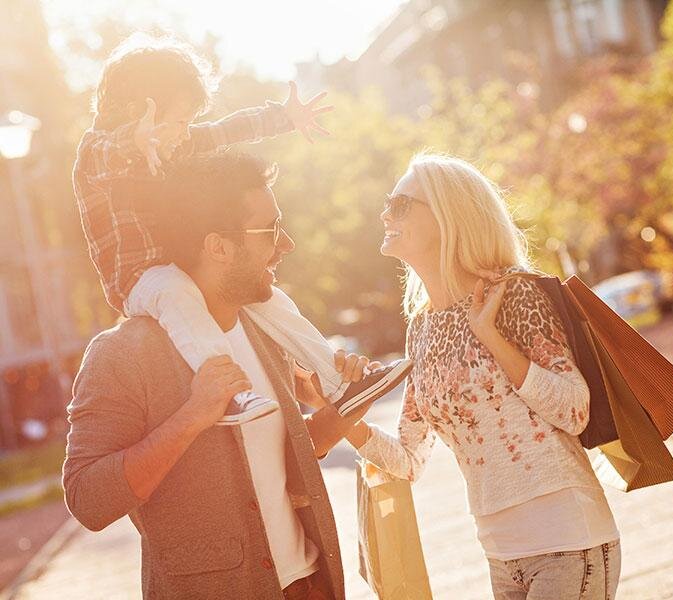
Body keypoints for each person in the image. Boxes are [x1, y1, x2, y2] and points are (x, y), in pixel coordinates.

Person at [64, 151, 378, 599]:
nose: (286, 244)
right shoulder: (120, 355)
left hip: (308, 584)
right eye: (271, 229)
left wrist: (346, 409)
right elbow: (88, 500)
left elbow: (277, 460)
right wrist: (193, 416)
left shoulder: (264, 330)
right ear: (218, 247)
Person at [73, 33, 410, 427]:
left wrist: (282, 118)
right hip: (137, 280)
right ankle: (230, 394)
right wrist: (135, 140)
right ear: (138, 110)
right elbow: (109, 153)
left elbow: (224, 131)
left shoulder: (174, 143)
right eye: (180, 121)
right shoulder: (95, 152)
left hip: (180, 269)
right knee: (176, 292)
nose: (185, 131)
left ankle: (340, 383)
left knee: (267, 296)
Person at [345, 153, 622, 599]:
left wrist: (489, 334)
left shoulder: (512, 293)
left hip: (569, 542)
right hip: (501, 556)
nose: (385, 215)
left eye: (400, 205)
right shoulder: (421, 329)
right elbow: (410, 460)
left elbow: (574, 409)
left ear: (447, 214)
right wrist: (340, 416)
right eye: (387, 204)